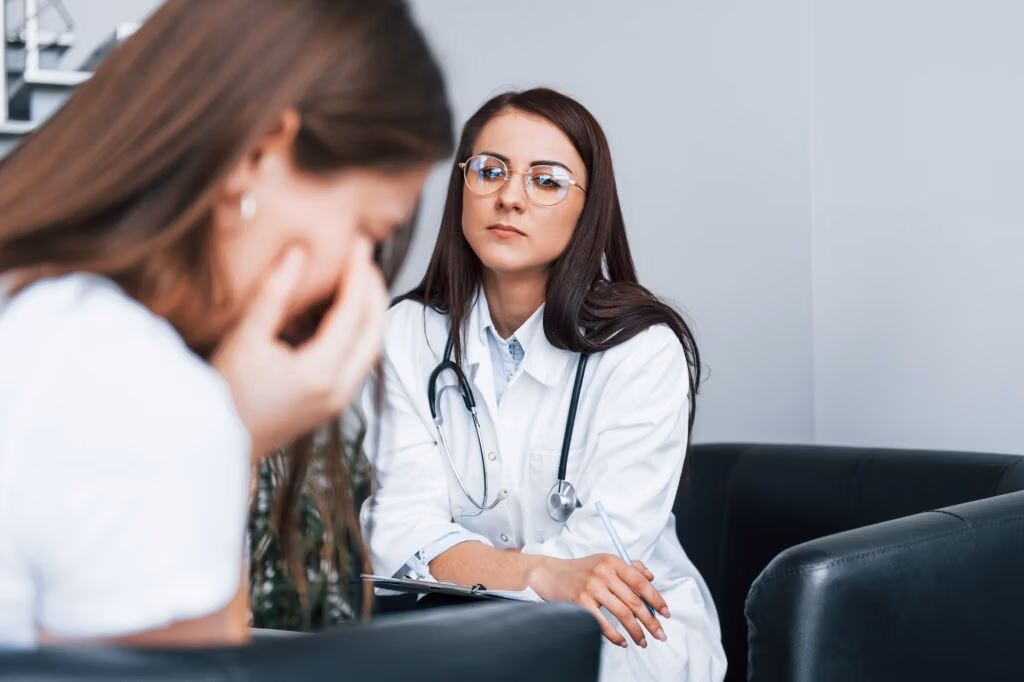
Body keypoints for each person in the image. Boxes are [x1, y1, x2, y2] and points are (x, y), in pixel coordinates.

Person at [0, 0, 452, 648]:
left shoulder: (37, 309)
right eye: (367, 229)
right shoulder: (136, 393)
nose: (362, 283)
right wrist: (228, 434)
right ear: (257, 152)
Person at [359, 88, 727, 681]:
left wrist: (468, 565)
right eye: (490, 171)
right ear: (461, 186)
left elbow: (602, 560)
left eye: (546, 181)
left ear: (589, 208)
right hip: (453, 628)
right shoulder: (404, 334)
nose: (510, 197)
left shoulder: (643, 349)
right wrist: (541, 573)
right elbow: (398, 534)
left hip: (624, 631)